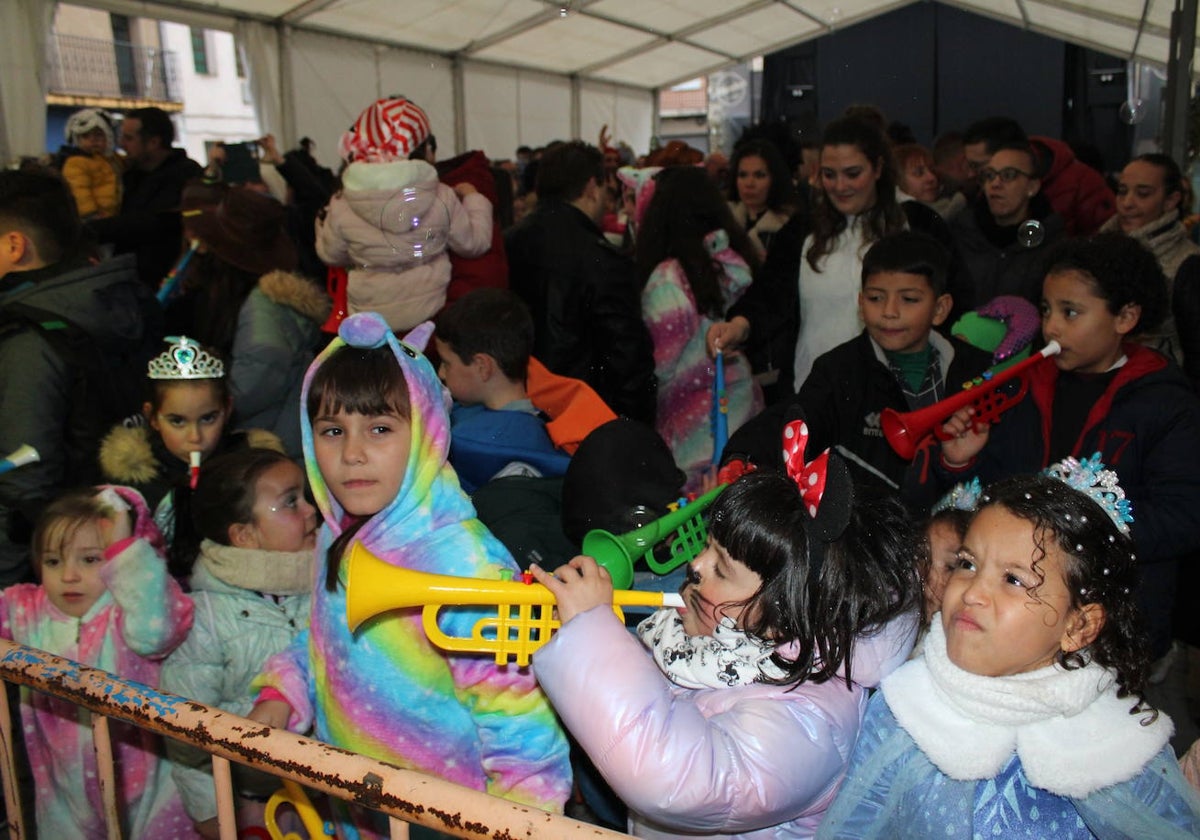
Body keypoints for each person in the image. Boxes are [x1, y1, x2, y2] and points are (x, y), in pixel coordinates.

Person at [248, 312, 572, 836]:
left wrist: (521, 826)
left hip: (446, 819)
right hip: (358, 805)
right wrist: (281, 695)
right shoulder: (339, 531)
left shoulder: (467, 565)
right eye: (332, 430)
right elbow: (322, 643)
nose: (352, 454)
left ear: (426, 430)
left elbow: (522, 727)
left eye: (379, 428)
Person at [531, 426, 921, 838]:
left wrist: (591, 634)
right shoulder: (723, 642)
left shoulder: (808, 720)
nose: (695, 565)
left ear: (784, 612)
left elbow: (671, 779)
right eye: (707, 548)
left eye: (722, 568)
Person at [818, 462, 1200, 837]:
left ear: (1079, 626)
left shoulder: (1118, 744)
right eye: (967, 564)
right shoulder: (907, 703)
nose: (972, 592)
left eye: (1013, 579)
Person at [924, 233, 1200, 673]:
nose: (1051, 327)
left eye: (1071, 312)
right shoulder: (1030, 385)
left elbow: (1183, 516)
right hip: (1021, 626)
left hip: (1119, 630)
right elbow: (1002, 490)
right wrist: (963, 461)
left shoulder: (1166, 403)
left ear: (1126, 317)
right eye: (1048, 309)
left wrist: (1075, 536)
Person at [708, 115, 963, 398]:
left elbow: (955, 297)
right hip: (815, 392)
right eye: (829, 174)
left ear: (878, 168)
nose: (840, 186)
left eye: (853, 173)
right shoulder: (800, 230)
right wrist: (739, 326)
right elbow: (770, 294)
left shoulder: (919, 223)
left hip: (904, 395)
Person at [721, 231, 991, 496]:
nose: (889, 311)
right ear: (860, 303)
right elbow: (797, 419)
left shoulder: (976, 369)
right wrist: (743, 456)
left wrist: (959, 464)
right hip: (870, 528)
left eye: (909, 299)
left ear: (940, 308)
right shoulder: (838, 370)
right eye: (875, 298)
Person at [2, 485, 194, 837]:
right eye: (53, 561)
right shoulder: (23, 610)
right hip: (62, 793)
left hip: (150, 786)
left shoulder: (129, 608)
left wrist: (126, 552)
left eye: (90, 559)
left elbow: (158, 633)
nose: (69, 576)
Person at [0, 168, 161, 585]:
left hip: (57, 573)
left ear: (15, 246)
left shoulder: (30, 338)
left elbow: (24, 482)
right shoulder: (118, 298)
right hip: (129, 542)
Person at [161, 448, 315, 839]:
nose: (311, 510)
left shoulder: (324, 583)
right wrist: (216, 816)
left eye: (305, 496)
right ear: (244, 535)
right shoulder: (206, 618)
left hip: (330, 793)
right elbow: (187, 735)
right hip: (254, 804)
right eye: (291, 502)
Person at [506, 140, 657, 422]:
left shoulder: (509, 240)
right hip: (584, 413)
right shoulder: (603, 258)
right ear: (591, 186)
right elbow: (628, 357)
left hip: (521, 407)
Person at [173, 184, 327, 459]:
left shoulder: (262, 312)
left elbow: (251, 387)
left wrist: (191, 408)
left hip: (267, 449)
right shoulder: (246, 299)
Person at [316, 97, 493, 332]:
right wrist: (474, 199)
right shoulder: (442, 195)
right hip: (430, 314)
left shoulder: (342, 203)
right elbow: (474, 244)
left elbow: (331, 255)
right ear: (423, 148)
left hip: (370, 319)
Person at [638, 166, 764, 490]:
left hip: (693, 426)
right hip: (738, 403)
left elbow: (661, 365)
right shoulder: (729, 261)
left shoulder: (667, 280)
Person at [98, 336, 283, 540]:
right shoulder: (130, 486)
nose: (195, 437)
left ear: (227, 409)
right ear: (152, 418)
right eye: (177, 421)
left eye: (208, 418)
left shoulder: (253, 468)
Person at [433, 288, 571, 494]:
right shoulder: (548, 419)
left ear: (482, 366)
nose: (441, 373)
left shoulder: (485, 447)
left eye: (446, 363)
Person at [1102, 153, 1200, 369]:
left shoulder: (1186, 264)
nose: (1127, 203)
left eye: (1143, 194)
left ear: (1171, 200)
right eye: (1122, 191)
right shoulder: (1098, 249)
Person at [89, 107, 203, 289]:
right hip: (130, 281)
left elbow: (152, 222)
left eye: (129, 138)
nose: (122, 144)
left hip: (167, 283)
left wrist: (92, 230)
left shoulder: (185, 174)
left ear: (153, 142)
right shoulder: (131, 174)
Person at [950, 139, 1065, 310]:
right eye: (989, 175)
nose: (995, 184)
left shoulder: (1052, 245)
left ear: (1032, 187)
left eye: (1009, 175)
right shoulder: (960, 234)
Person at [725, 138, 796, 261]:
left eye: (759, 175)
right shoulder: (725, 220)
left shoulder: (790, 224)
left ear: (774, 179)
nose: (749, 183)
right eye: (743, 175)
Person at [59, 108, 123, 220]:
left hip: (112, 216)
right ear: (77, 139)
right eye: (85, 136)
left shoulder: (111, 159)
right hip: (92, 219)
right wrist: (90, 214)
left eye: (98, 135)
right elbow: (79, 192)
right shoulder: (76, 163)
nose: (92, 140)